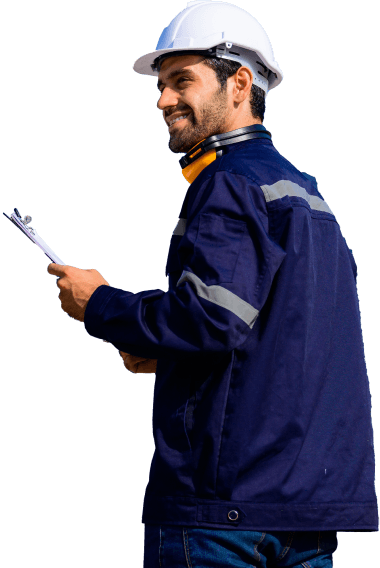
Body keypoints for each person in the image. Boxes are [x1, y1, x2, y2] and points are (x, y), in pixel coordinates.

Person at [47, 1, 378, 566]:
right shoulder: (310, 197)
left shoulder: (228, 182)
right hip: (303, 517)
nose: (163, 100)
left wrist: (99, 304)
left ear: (240, 83)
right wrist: (164, 351)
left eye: (182, 81)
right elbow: (282, 334)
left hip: (220, 516)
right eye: (160, 84)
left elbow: (211, 318)